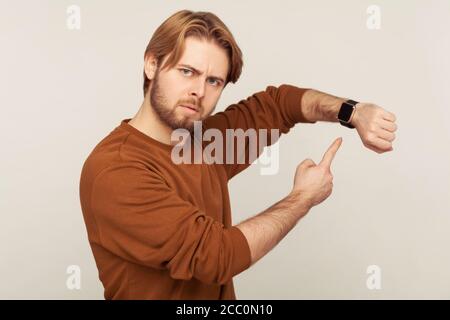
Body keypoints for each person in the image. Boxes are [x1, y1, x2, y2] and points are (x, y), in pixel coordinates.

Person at [79, 10, 397, 300]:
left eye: (213, 80)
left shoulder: (208, 144)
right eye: (187, 71)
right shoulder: (115, 170)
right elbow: (216, 256)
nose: (199, 92)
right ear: (152, 64)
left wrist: (352, 111)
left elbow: (279, 104)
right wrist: (302, 198)